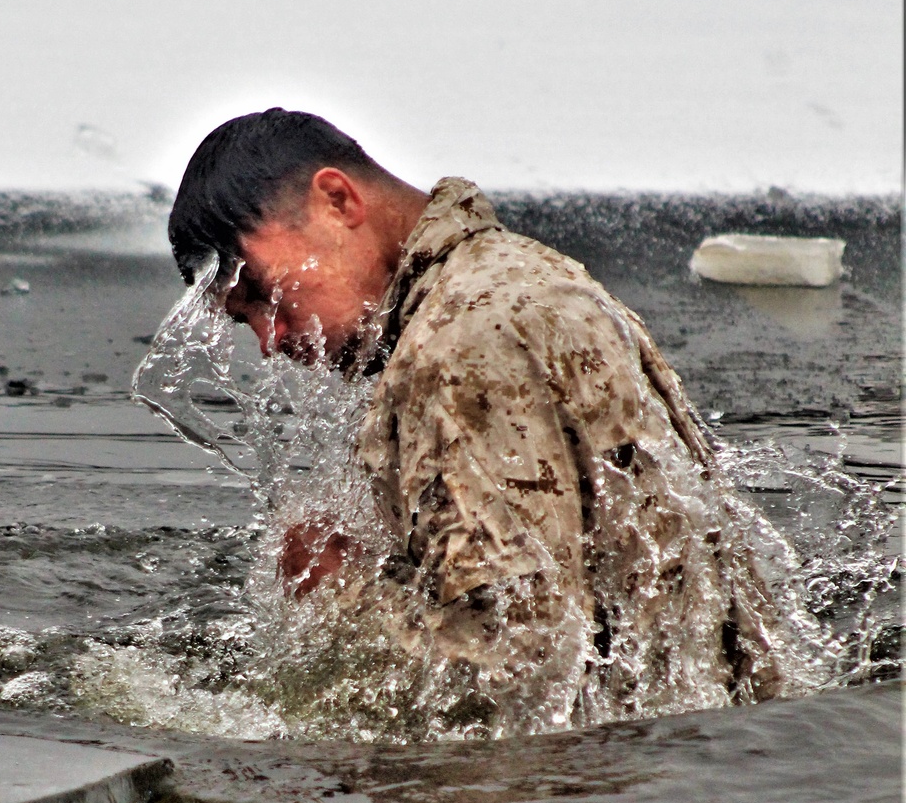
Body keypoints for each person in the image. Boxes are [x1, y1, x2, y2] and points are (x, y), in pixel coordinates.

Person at [166, 108, 790, 719]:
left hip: (601, 790)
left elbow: (519, 671)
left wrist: (338, 592)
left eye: (262, 293)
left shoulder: (455, 345)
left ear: (336, 200)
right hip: (705, 753)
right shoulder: (521, 275)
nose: (271, 339)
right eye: (244, 318)